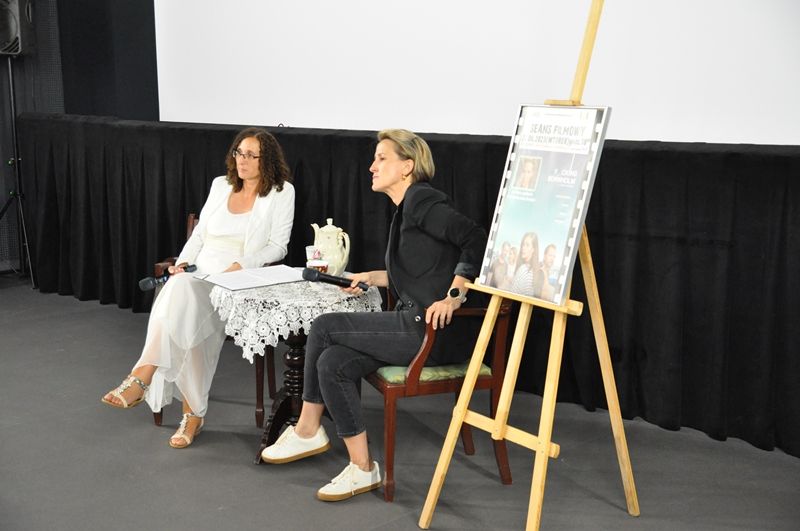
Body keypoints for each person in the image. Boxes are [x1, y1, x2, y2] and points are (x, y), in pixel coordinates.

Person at [260, 129, 487, 501]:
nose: (372, 166)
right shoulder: (406, 209)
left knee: (324, 326)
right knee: (332, 361)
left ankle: (307, 428)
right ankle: (363, 467)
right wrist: (370, 277)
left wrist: (455, 296)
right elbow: (418, 274)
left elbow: (475, 237)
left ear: (407, 166)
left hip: (431, 331)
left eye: (382, 158)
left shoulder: (422, 201)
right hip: (413, 323)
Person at [101, 127, 295, 448]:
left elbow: (278, 246)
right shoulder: (221, 185)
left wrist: (242, 264)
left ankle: (144, 379)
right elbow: (200, 235)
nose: (243, 160)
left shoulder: (281, 191)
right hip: (198, 274)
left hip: (237, 282)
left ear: (268, 160)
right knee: (182, 292)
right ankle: (190, 413)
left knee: (182, 302)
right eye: (239, 153)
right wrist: (182, 263)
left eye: (251, 155)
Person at [509, 231, 542, 297]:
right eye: (523, 244)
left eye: (527, 245)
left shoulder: (524, 269)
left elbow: (512, 295)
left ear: (533, 249)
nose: (523, 248)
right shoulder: (534, 270)